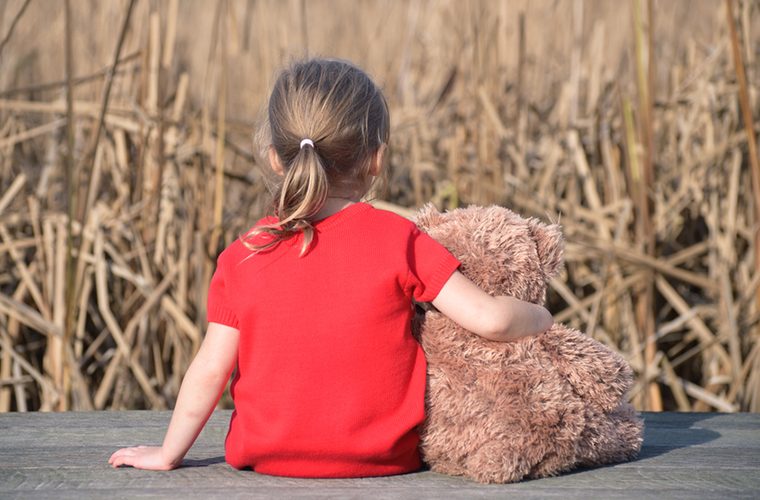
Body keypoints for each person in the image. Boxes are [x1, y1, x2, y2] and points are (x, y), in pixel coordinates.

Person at [108, 58, 553, 477]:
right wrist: (542, 316)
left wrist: (169, 453)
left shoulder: (243, 253)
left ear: (274, 158)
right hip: (383, 460)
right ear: (376, 158)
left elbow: (210, 369)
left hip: (266, 458)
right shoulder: (399, 239)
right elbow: (491, 320)